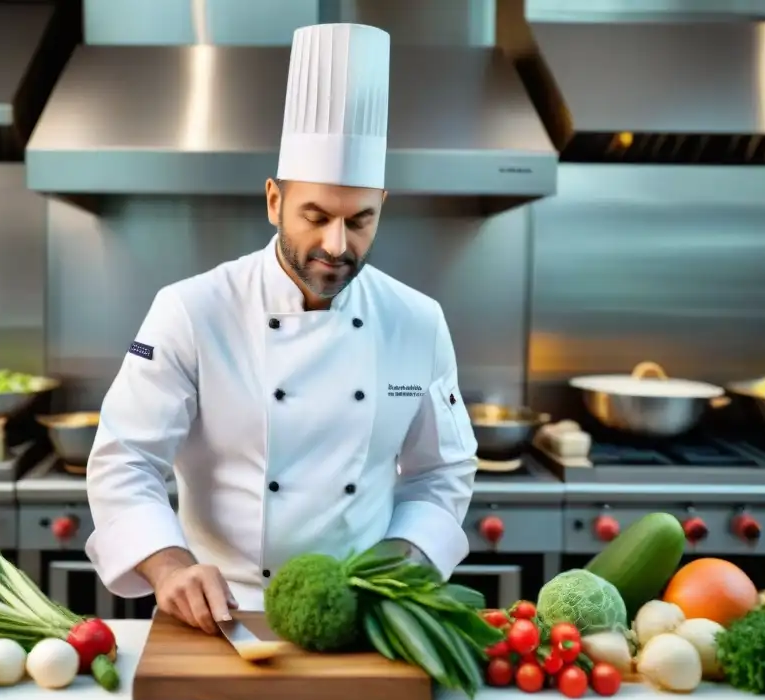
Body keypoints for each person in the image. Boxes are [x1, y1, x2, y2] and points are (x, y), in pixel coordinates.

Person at [86, 22, 478, 634]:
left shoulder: (416, 321)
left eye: (360, 220)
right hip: (224, 615)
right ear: (274, 201)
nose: (336, 245)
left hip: (365, 617)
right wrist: (169, 569)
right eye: (315, 216)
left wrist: (398, 567)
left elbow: (442, 473)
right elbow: (125, 460)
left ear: (382, 208)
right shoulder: (192, 310)